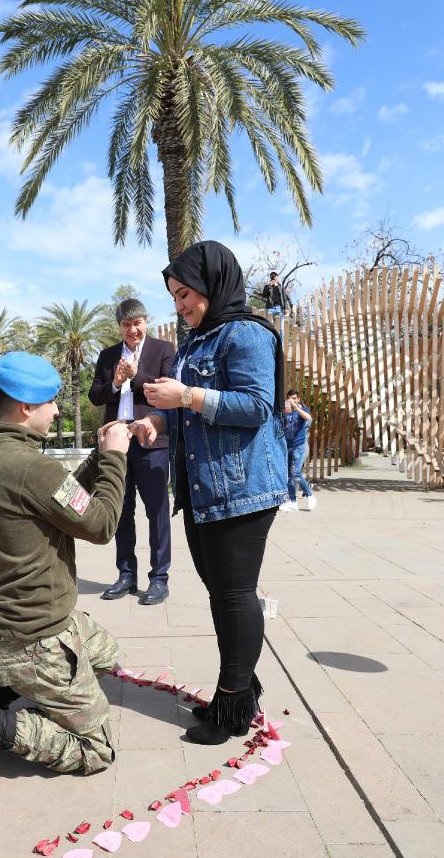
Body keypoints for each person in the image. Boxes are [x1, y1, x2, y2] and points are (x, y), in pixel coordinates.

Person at [0, 351, 131, 802]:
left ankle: (9, 688)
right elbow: (100, 524)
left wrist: (98, 453)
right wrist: (115, 459)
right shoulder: (30, 467)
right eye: (52, 402)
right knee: (96, 749)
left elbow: (54, 496)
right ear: (24, 408)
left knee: (107, 654)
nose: (57, 411)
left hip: (11, 625)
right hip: (37, 636)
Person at [129, 241, 288, 746]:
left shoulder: (247, 333)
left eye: (185, 294)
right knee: (221, 594)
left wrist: (189, 396)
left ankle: (233, 707)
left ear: (213, 284)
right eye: (174, 297)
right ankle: (236, 691)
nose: (180, 306)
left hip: (242, 488)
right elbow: (185, 415)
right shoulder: (197, 341)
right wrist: (157, 419)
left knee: (235, 594)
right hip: (201, 490)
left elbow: (259, 406)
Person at [89, 299, 175, 605]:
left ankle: (159, 579)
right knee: (121, 512)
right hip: (117, 443)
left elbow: (167, 391)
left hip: (152, 443)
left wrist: (135, 376)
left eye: (137, 323)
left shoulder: (164, 350)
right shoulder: (107, 355)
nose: (132, 330)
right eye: (126, 325)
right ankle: (126, 575)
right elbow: (95, 396)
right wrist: (115, 381)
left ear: (145, 322)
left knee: (157, 513)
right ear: (119, 327)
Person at [280, 388, 316, 511]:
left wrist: (296, 407)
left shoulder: (302, 410)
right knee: (289, 476)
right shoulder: (286, 411)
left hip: (299, 446)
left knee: (295, 473)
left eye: (294, 398)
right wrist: (283, 413)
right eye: (290, 398)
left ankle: (310, 495)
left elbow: (308, 418)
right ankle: (292, 502)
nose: (292, 401)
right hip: (288, 446)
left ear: (298, 399)